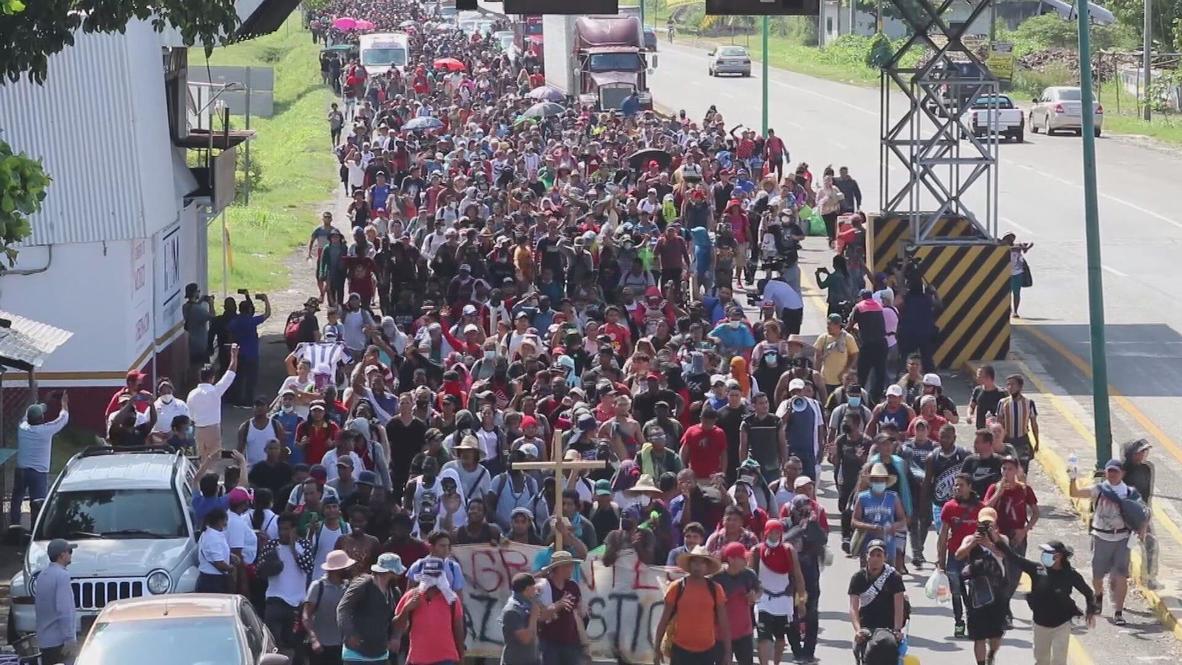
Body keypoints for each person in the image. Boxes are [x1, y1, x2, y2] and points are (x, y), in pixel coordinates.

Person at [1068, 458, 1148, 626]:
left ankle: (1118, 611)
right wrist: (1072, 478)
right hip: (1100, 537)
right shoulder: (1099, 490)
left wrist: (1142, 529)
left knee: (1121, 576)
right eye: (1109, 471)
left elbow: (1144, 513)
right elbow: (1075, 493)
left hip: (1122, 539)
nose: (1112, 474)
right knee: (1097, 576)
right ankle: (1099, 596)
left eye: (1115, 471)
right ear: (1105, 472)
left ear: (1122, 474)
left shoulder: (1129, 493)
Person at [1005, 540, 1098, 665]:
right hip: (1040, 624)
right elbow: (1013, 557)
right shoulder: (1036, 569)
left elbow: (1088, 593)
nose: (1044, 554)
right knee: (1041, 659)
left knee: (1059, 660)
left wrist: (1090, 611)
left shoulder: (1070, 574)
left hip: (1062, 624)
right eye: (1044, 552)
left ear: (1059, 556)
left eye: (1048, 552)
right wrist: (994, 538)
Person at [653, 545, 731, 665]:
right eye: (694, 562)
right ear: (689, 565)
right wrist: (656, 649)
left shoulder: (715, 589)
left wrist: (727, 653)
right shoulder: (677, 587)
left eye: (701, 563)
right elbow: (664, 619)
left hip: (707, 651)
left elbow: (724, 623)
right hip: (680, 650)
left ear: (707, 566)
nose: (697, 566)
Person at [954, 507, 1010, 665]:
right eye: (983, 523)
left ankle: (991, 653)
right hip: (977, 593)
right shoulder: (970, 539)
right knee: (978, 635)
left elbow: (1005, 554)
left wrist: (989, 543)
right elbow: (958, 555)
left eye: (989, 524)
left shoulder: (1002, 540)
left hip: (997, 592)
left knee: (996, 634)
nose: (985, 527)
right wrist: (973, 543)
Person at [751, 520, 807, 665]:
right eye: (771, 532)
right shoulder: (757, 550)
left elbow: (798, 576)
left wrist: (801, 601)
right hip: (763, 599)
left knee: (780, 638)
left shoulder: (788, 550)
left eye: (777, 532)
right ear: (765, 532)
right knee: (763, 636)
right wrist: (752, 594)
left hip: (783, 600)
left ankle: (776, 662)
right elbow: (750, 575)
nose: (774, 535)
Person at [394, 556, 466, 665]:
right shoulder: (411, 596)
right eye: (429, 576)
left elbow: (459, 629)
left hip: (446, 658)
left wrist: (461, 656)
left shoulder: (451, 599)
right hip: (417, 659)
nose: (432, 581)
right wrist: (406, 608)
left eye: (436, 576)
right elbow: (396, 626)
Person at [11, 393, 69, 527]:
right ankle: (34, 529)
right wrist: (64, 402)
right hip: (38, 473)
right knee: (37, 502)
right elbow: (63, 418)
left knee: (17, 499)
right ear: (41, 418)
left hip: (21, 470)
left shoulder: (22, 428)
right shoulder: (46, 430)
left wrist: (36, 402)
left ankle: (14, 525)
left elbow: (26, 415)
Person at [339, 552, 406, 665]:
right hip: (356, 654)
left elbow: (398, 618)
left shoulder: (394, 591)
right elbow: (343, 608)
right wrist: (349, 633)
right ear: (389, 571)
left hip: (380, 653)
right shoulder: (363, 584)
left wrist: (396, 637)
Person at [847, 539, 906, 665]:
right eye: (872, 555)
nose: (875, 558)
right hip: (866, 626)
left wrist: (897, 630)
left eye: (879, 555)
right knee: (859, 650)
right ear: (866, 556)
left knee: (888, 647)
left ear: (885, 557)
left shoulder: (894, 577)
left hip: (888, 628)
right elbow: (853, 607)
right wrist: (857, 630)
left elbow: (899, 606)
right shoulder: (858, 578)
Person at [937, 473, 981, 638]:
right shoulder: (949, 507)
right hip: (954, 556)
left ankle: (972, 619)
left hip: (974, 556)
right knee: (956, 590)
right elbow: (943, 535)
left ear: (970, 487)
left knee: (972, 591)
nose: (957, 488)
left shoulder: (980, 508)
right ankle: (959, 622)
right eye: (955, 485)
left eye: (961, 485)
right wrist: (940, 560)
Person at [187, 343, 240, 460]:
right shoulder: (215, 392)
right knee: (214, 460)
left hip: (198, 430)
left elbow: (190, 416)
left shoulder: (191, 394)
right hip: (213, 429)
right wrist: (234, 355)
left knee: (201, 459)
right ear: (212, 378)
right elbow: (230, 373)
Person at [304, 549, 353, 665]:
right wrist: (313, 639)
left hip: (341, 646)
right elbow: (306, 615)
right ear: (337, 570)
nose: (348, 570)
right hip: (320, 647)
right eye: (345, 567)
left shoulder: (347, 587)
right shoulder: (318, 586)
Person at [535, 550, 585, 665]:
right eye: (568, 566)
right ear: (558, 568)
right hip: (549, 643)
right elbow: (540, 617)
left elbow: (577, 614)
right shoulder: (543, 587)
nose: (571, 568)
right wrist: (559, 604)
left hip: (571, 642)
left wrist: (584, 643)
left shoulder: (573, 586)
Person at [715, 542, 760, 665]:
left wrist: (754, 595)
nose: (746, 560)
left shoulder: (749, 574)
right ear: (731, 559)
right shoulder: (716, 578)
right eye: (742, 558)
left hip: (744, 632)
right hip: (721, 634)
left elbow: (759, 590)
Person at [35, 538, 78, 665]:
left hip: (44, 640)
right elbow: (65, 610)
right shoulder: (62, 576)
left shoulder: (43, 575)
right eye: (69, 551)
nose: (71, 555)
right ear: (62, 555)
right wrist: (70, 638)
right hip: (59, 641)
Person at [996, 374, 1039, 472]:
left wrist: (1037, 441)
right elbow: (999, 424)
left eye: (1013, 384)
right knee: (1006, 470)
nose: (1010, 387)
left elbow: (1034, 424)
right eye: (1008, 385)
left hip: (1022, 441)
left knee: (1022, 470)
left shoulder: (1029, 403)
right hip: (1007, 440)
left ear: (1020, 386)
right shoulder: (1002, 403)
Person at [501, 572, 542, 665]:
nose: (535, 590)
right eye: (533, 587)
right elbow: (525, 639)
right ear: (527, 589)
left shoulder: (528, 604)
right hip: (516, 661)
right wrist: (533, 617)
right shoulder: (512, 610)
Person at [196, 508, 237, 593]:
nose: (226, 523)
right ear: (220, 521)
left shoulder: (209, 534)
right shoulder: (213, 537)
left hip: (210, 579)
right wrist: (231, 568)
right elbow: (219, 563)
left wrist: (230, 556)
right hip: (213, 581)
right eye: (226, 520)